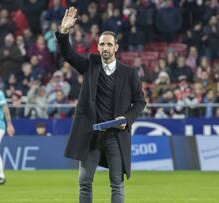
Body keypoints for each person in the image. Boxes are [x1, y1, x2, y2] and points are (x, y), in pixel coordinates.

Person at [56, 7, 146, 203]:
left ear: (116, 47)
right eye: (102, 44)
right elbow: (68, 54)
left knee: (117, 184)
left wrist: (127, 119)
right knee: (85, 182)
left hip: (115, 135)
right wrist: (64, 32)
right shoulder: (91, 66)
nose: (105, 48)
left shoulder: (129, 73)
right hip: (91, 135)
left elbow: (140, 101)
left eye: (109, 44)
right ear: (98, 47)